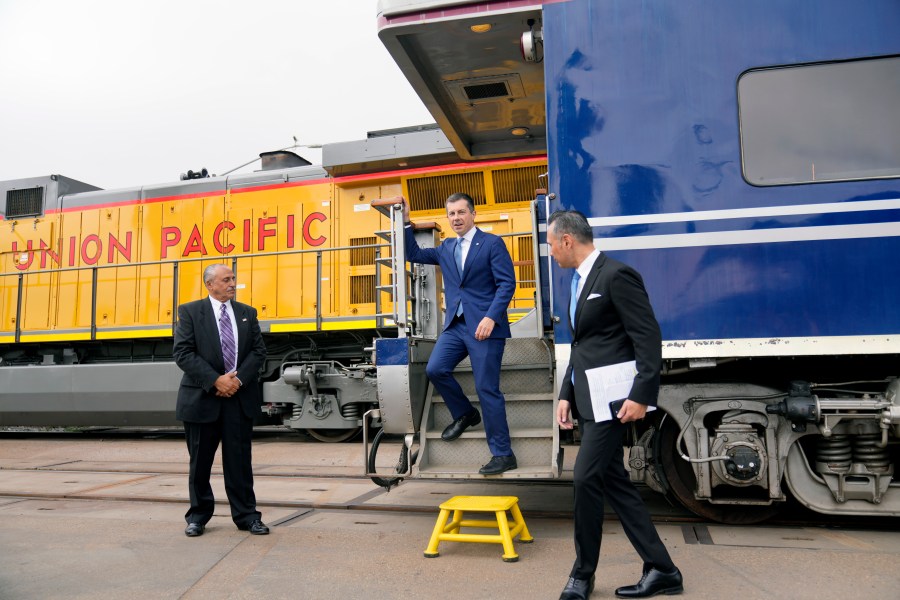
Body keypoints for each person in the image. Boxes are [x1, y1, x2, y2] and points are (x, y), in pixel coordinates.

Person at [547, 210, 683, 599]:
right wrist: (565, 394)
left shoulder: (615, 275)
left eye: (553, 244)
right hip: (588, 398)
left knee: (584, 478)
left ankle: (582, 575)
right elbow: (583, 346)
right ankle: (663, 569)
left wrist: (642, 394)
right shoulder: (578, 281)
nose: (552, 252)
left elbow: (647, 337)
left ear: (568, 241)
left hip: (614, 401)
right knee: (614, 484)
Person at [399, 193, 518, 474]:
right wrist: (405, 220)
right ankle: (465, 413)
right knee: (436, 369)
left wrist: (491, 317)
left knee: (486, 388)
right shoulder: (446, 247)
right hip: (456, 325)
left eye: (461, 212)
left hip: (485, 327)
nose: (456, 218)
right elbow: (413, 254)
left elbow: (507, 284)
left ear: (473, 214)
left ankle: (503, 454)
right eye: (451, 214)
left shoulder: (492, 243)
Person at [173, 263, 269, 537]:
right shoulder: (190, 312)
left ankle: (247, 516)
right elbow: (183, 353)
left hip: (238, 398)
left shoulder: (247, 314)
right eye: (226, 279)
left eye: (233, 279)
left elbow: (258, 353)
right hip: (203, 399)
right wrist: (216, 380)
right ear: (209, 285)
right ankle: (198, 516)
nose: (232, 283)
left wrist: (236, 381)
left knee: (239, 462)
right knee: (200, 463)